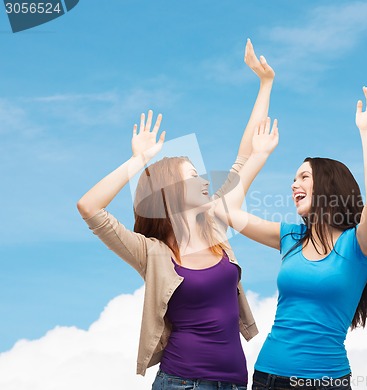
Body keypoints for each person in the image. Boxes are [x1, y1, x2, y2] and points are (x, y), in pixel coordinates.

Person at [76, 39, 275, 389]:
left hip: (233, 382)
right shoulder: (150, 252)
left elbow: (244, 155)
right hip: (182, 383)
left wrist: (265, 84)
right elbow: (90, 207)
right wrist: (138, 162)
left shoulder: (214, 225)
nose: (203, 180)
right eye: (192, 176)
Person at [214, 87, 367, 390]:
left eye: (304, 177)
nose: (294, 184)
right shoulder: (290, 237)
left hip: (325, 382)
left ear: (329, 185)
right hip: (268, 376)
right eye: (294, 178)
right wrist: (259, 155)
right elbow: (226, 210)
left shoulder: (356, 245)